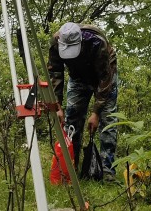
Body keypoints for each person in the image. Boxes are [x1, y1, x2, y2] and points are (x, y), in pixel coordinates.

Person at [47, 22, 118, 182]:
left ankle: (108, 173)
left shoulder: (97, 42)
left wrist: (96, 112)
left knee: (108, 123)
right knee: (71, 122)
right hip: (78, 77)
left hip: (103, 76)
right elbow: (55, 74)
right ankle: (71, 169)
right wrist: (56, 105)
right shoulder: (55, 44)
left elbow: (105, 79)